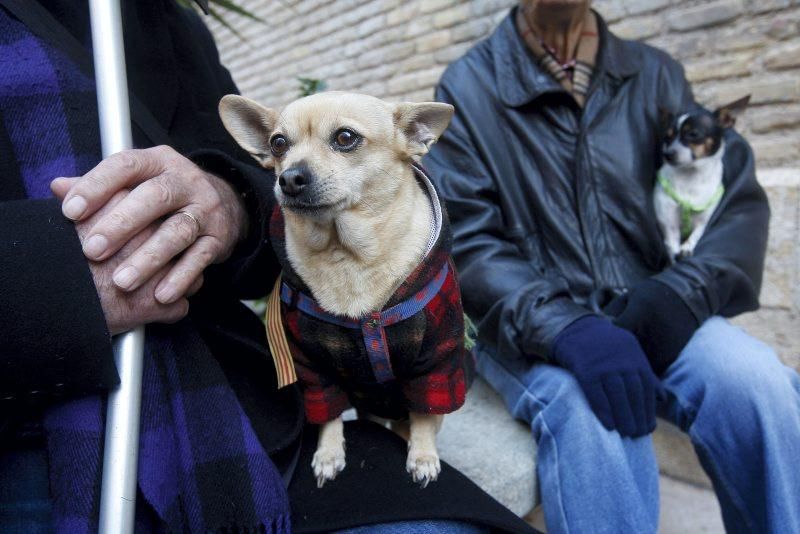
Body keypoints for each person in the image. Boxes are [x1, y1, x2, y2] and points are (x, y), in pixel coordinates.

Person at [0, 1, 536, 532]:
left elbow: (243, 182)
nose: (295, 170)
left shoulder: (159, 18)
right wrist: (48, 283)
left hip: (230, 401)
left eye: (344, 140)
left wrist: (229, 200)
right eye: (281, 146)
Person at [424, 0, 800, 533]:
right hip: (533, 323)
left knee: (756, 384)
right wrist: (566, 326)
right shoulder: (468, 86)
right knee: (592, 414)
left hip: (651, 300)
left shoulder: (654, 72)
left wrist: (679, 295)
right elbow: (468, 236)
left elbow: (723, 193)